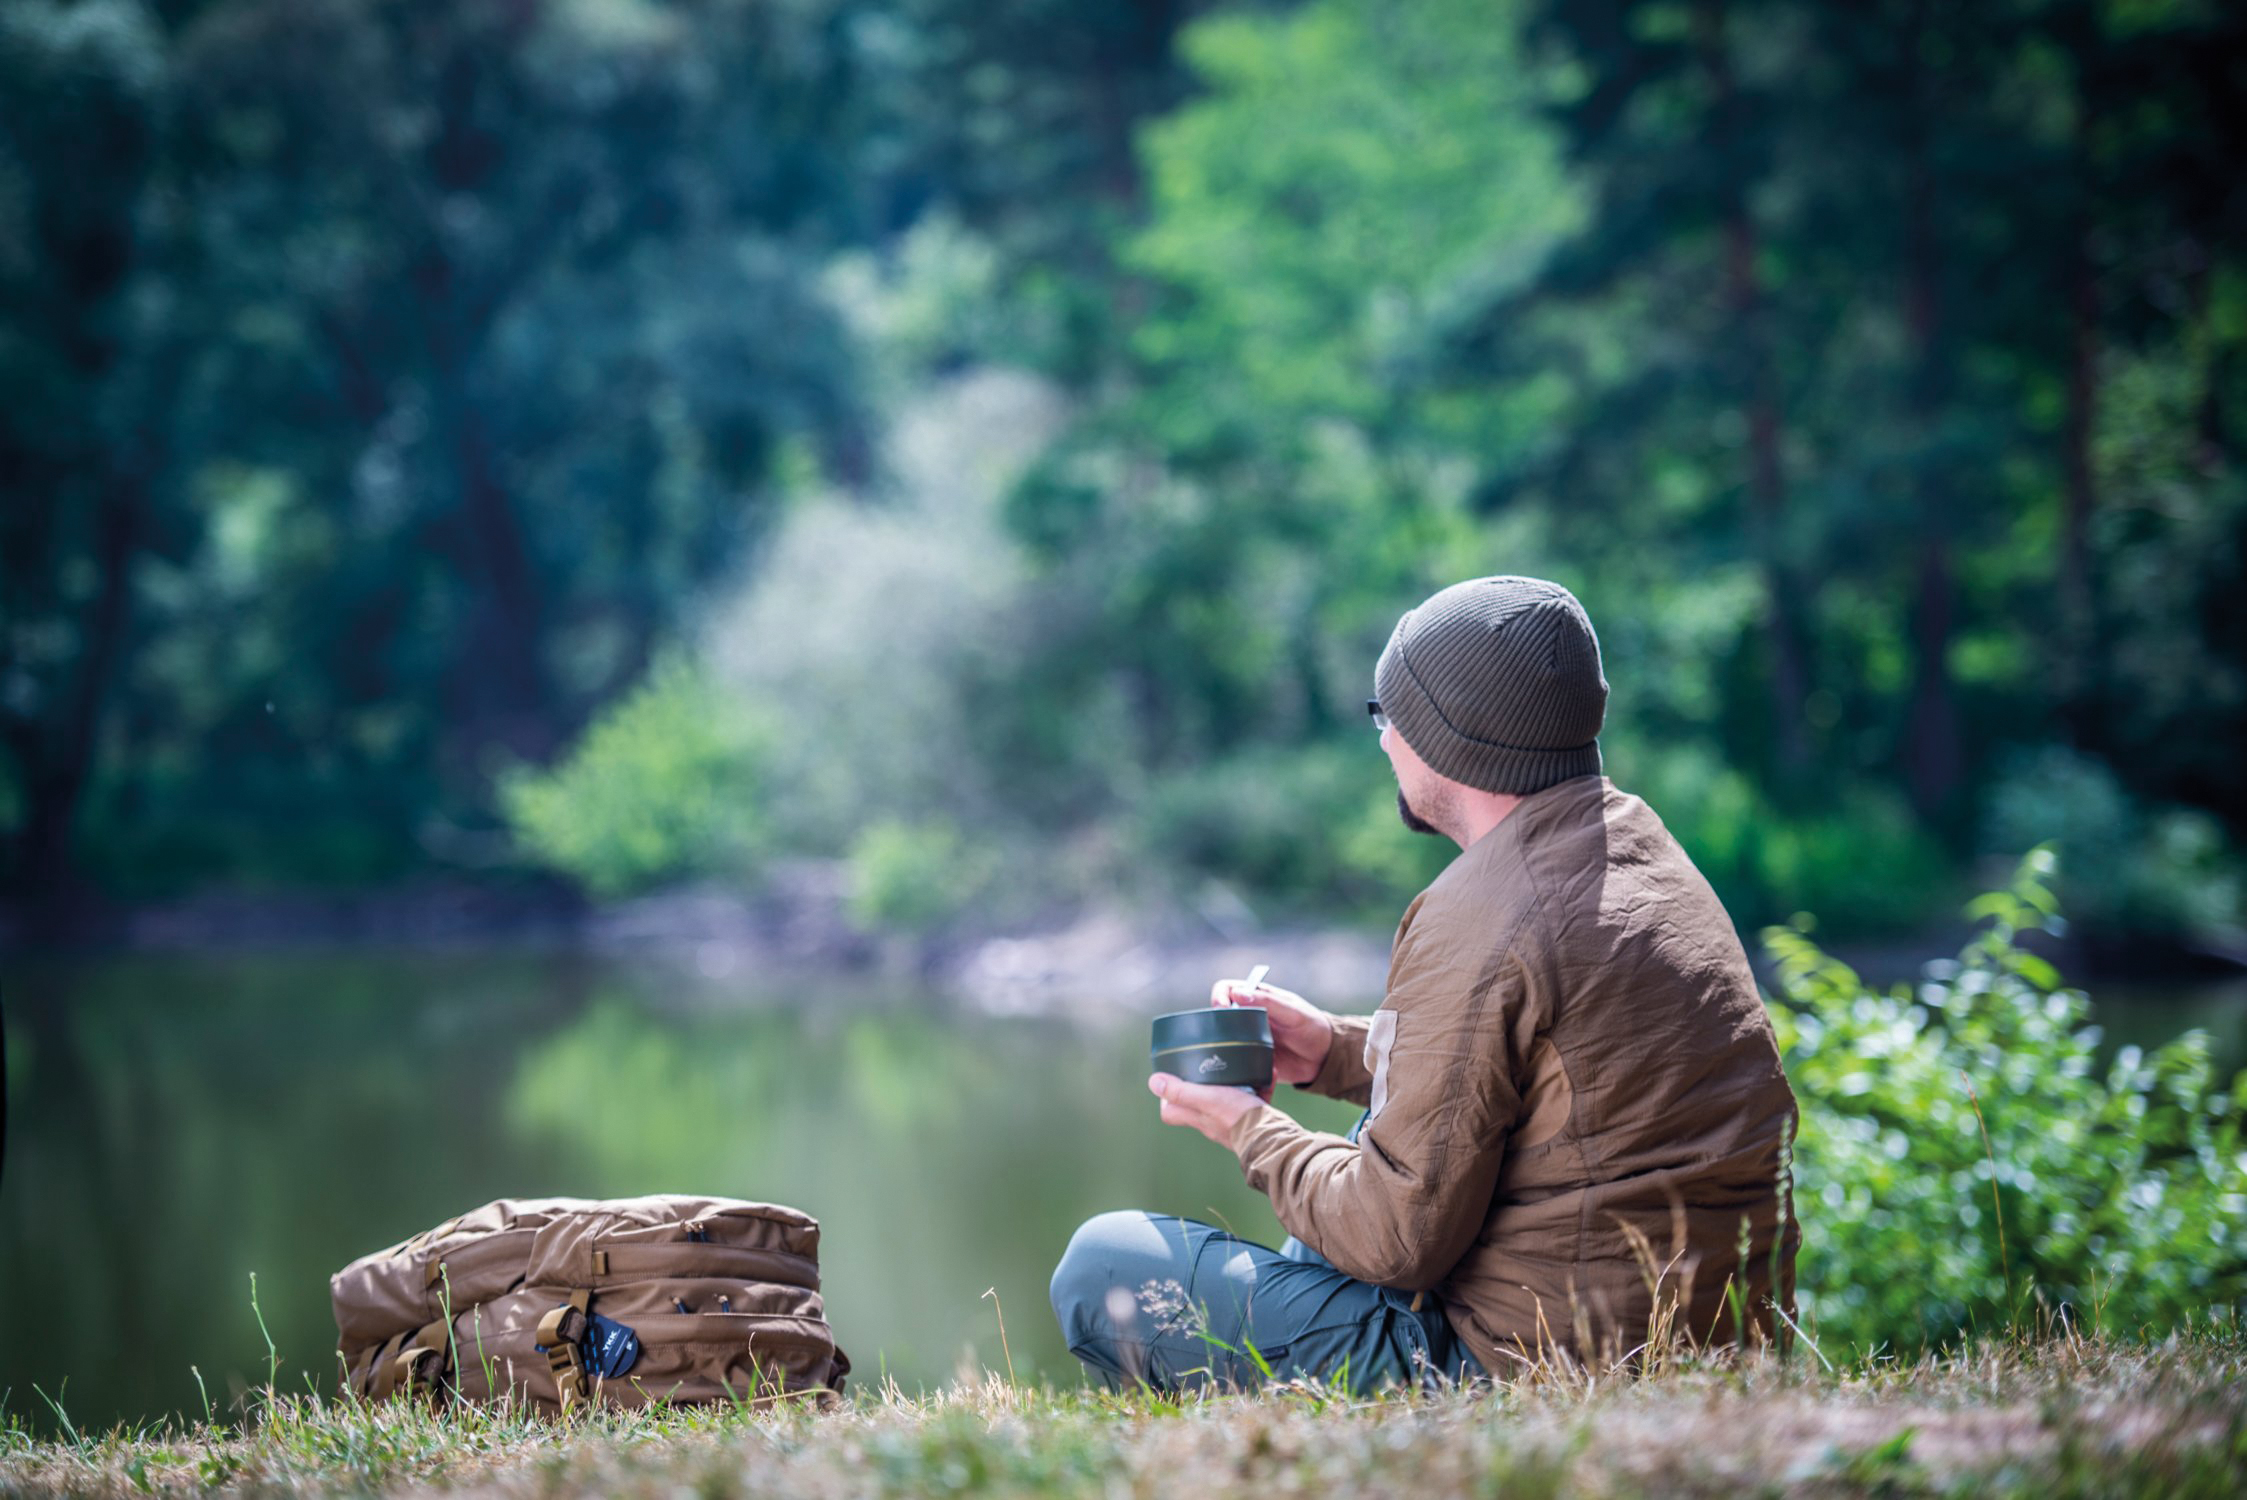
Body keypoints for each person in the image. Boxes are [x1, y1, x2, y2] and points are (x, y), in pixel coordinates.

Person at [1048, 575, 1800, 1391]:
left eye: (1388, 716)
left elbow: (1392, 1241)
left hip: (1534, 1371)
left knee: (1103, 1268)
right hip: (1709, 1347)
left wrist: (1248, 1128)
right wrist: (1335, 1050)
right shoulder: (1642, 851)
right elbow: (1539, 1089)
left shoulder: (1483, 913)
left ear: (1449, 737)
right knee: (1362, 1149)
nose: (1383, 742)